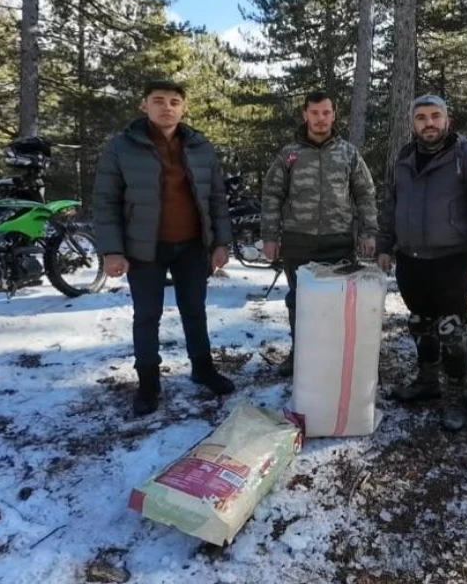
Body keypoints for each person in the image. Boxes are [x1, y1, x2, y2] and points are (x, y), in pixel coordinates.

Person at [93, 80, 236, 417]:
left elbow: (216, 198)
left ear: (183, 107)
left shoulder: (200, 146)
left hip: (192, 247)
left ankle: (203, 369)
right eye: (158, 100)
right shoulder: (121, 147)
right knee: (147, 316)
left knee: (194, 311)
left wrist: (220, 242)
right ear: (144, 105)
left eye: (174, 101)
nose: (167, 107)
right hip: (144, 249)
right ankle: (148, 382)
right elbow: (105, 201)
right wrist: (112, 250)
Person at [376, 94, 467, 432]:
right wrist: (385, 246)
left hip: (452, 259)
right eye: (421, 117)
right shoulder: (405, 158)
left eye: (435, 116)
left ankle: (457, 394)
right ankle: (427, 381)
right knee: (420, 323)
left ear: (447, 120)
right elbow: (392, 206)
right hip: (411, 259)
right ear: (413, 122)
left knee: (452, 328)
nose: (428, 123)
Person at [261, 91, 378, 375]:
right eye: (315, 113)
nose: (321, 119)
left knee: (337, 301)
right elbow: (272, 195)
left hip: (337, 241)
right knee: (299, 301)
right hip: (297, 241)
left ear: (334, 115)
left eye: (326, 113)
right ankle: (299, 354)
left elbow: (365, 194)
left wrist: (369, 231)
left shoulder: (348, 152)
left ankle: (334, 354)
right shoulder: (289, 154)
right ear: (305, 115)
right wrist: (269, 237)